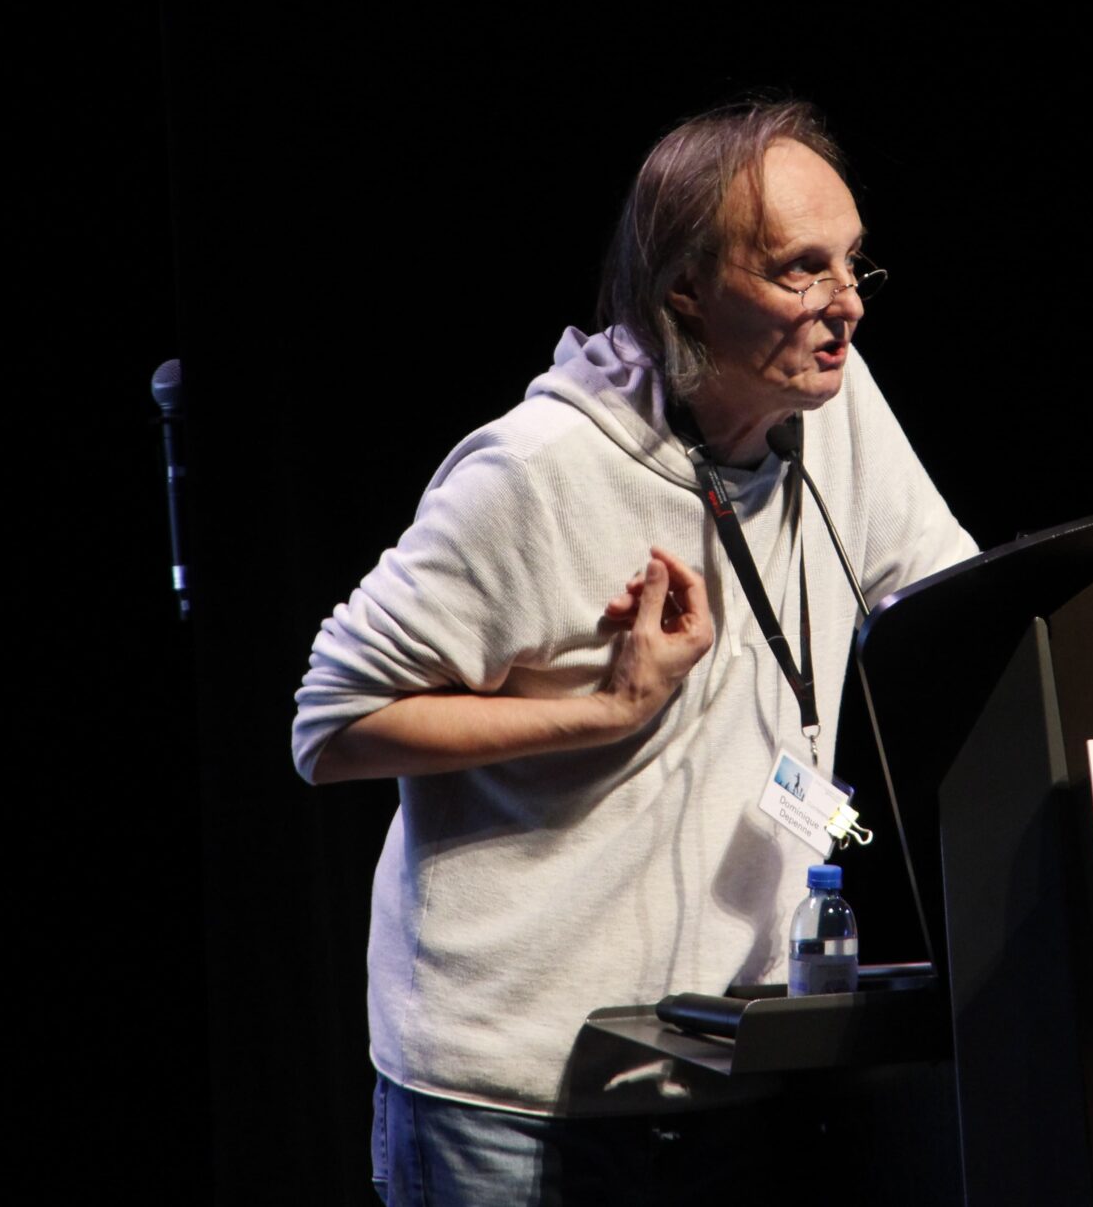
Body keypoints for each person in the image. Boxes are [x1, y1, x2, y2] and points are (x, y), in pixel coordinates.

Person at [292, 100, 976, 1205]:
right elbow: (329, 727)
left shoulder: (835, 406)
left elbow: (956, 609)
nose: (846, 303)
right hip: (515, 1100)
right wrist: (604, 710)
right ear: (685, 289)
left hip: (733, 1064)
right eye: (801, 270)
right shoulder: (536, 472)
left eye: (853, 263)